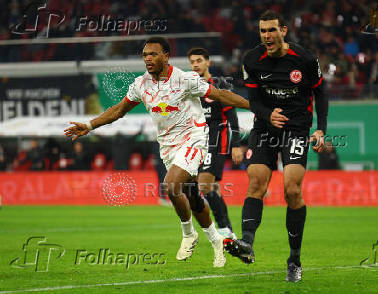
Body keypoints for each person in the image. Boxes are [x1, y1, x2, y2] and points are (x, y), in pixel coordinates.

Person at [64, 37, 249, 267]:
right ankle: (217, 242)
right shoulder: (141, 84)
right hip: (168, 146)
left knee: (171, 185)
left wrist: (255, 107)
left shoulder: (185, 79)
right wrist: (90, 125)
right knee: (192, 196)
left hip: (194, 138)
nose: (148, 59)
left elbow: (220, 94)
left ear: (166, 56)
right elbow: (118, 110)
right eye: (145, 55)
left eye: (153, 54)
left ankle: (188, 234)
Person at [223, 11, 328, 283]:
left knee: (292, 189)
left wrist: (321, 129)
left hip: (296, 129)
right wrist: (268, 115)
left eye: (271, 30)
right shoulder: (251, 60)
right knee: (256, 181)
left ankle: (294, 259)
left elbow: (321, 91)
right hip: (265, 128)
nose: (267, 36)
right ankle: (246, 243)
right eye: (262, 31)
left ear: (283, 30)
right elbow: (253, 101)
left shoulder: (304, 59)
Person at [188, 47, 244, 240]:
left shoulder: (220, 85)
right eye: (192, 62)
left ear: (208, 63)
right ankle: (227, 229)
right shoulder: (190, 89)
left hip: (216, 141)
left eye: (199, 60)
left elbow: (232, 117)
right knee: (207, 188)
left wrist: (236, 145)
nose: (195, 65)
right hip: (197, 143)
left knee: (204, 185)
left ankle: (224, 229)